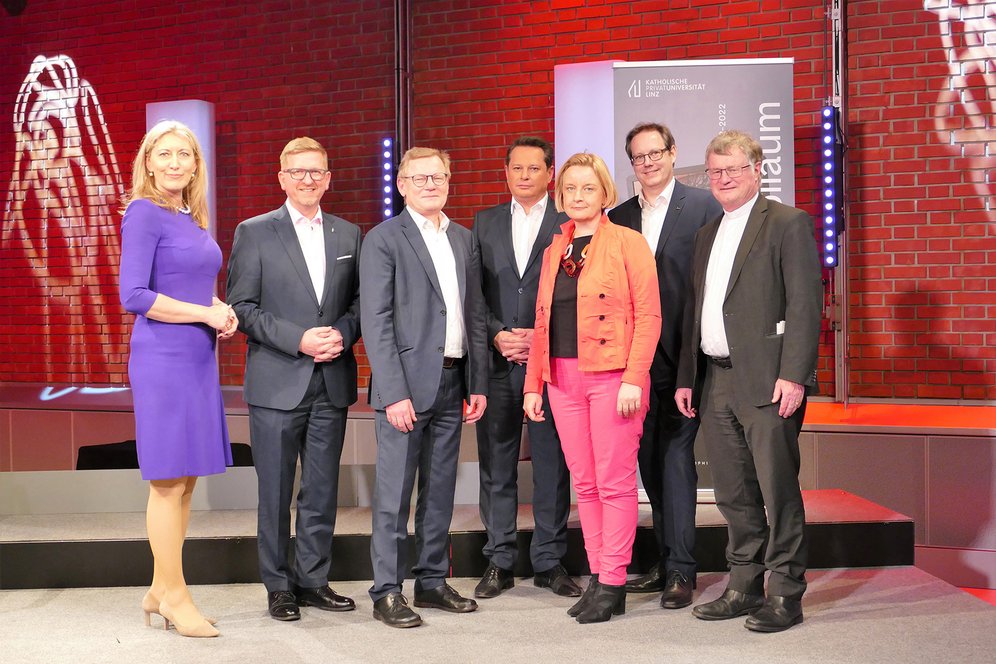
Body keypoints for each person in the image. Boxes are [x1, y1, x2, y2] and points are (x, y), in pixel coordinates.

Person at [675, 130, 822, 633]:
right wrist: (687, 377)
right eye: (715, 171)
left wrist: (794, 375)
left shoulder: (787, 223)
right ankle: (742, 585)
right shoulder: (706, 234)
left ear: (757, 170)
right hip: (715, 380)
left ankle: (785, 593)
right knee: (733, 493)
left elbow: (805, 304)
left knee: (777, 489)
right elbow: (696, 312)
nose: (723, 178)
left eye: (733, 169)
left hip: (768, 381)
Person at [226, 137, 361, 622]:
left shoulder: (349, 234)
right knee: (276, 491)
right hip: (277, 381)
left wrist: (340, 336)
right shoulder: (254, 232)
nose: (308, 179)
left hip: (332, 379)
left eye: (317, 172)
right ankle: (278, 585)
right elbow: (242, 308)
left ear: (328, 178)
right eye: (298, 172)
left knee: (321, 490)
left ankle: (313, 580)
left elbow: (360, 305)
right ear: (282, 178)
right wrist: (299, 339)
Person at [523, 152, 661, 624]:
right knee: (584, 484)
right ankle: (600, 576)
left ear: (605, 193)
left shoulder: (628, 242)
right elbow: (541, 322)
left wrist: (633, 378)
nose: (578, 196)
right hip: (560, 380)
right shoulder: (553, 251)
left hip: (611, 379)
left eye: (588, 188)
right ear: (560, 196)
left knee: (615, 482)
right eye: (571, 189)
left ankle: (613, 581)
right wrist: (533, 384)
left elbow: (649, 317)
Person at [360, 147, 489, 629]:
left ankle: (431, 581)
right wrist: (393, 392)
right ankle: (386, 590)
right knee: (394, 496)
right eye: (420, 177)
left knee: (438, 493)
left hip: (454, 382)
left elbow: (473, 316)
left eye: (438, 176)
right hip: (405, 389)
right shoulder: (384, 239)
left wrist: (476, 381)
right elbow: (376, 321)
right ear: (402, 185)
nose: (430, 184)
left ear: (449, 180)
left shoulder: (463, 238)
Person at [119, 120, 237, 638]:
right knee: (168, 480)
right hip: (163, 357)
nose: (173, 163)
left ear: (195, 163)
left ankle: (159, 587)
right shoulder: (143, 213)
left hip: (195, 356)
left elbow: (188, 285)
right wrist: (203, 314)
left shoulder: (189, 217)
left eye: (183, 154)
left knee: (185, 479)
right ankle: (175, 595)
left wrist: (218, 309)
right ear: (148, 161)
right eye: (163, 154)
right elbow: (135, 296)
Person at [609, 122, 722, 608]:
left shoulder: (703, 207)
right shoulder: (617, 217)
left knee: (677, 464)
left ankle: (681, 569)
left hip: (682, 360)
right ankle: (664, 560)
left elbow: (711, 286)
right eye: (639, 156)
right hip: (632, 363)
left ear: (674, 154)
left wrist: (694, 362)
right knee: (648, 464)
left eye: (656, 153)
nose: (648, 162)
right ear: (631, 163)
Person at [471, 136, 580, 600]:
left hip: (550, 362)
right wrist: (498, 333)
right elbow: (473, 293)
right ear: (507, 171)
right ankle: (498, 560)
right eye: (516, 168)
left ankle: (550, 561)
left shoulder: (570, 223)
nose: (524, 176)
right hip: (497, 363)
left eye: (534, 169)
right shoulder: (483, 222)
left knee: (552, 465)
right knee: (497, 465)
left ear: (549, 173)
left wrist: (541, 338)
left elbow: (578, 296)